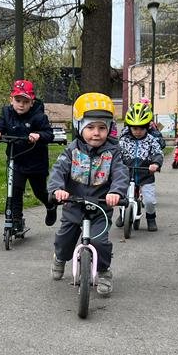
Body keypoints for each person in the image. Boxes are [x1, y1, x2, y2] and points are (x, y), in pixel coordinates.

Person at [48, 92, 129, 296]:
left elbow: (120, 173)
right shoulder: (72, 151)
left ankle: (104, 272)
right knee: (64, 240)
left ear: (109, 128)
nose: (96, 133)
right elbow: (59, 170)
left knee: (100, 242)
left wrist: (116, 192)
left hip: (101, 207)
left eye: (102, 127)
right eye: (90, 127)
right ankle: (60, 258)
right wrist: (57, 189)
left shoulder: (113, 153)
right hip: (74, 205)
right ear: (79, 126)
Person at [0, 79, 57, 230]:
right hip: (16, 160)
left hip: (36, 162)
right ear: (11, 100)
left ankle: (50, 205)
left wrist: (38, 135)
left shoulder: (39, 116)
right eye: (18, 100)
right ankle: (16, 220)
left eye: (25, 101)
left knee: (39, 191)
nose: (21, 104)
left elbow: (49, 134)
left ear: (32, 102)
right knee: (15, 191)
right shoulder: (6, 113)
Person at [118, 101, 164, 231]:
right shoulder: (123, 140)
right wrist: (116, 165)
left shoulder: (150, 140)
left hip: (145, 175)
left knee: (149, 201)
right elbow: (116, 154)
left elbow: (157, 153)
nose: (138, 132)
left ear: (147, 127)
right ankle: (122, 214)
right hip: (127, 174)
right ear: (129, 127)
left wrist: (155, 163)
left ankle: (151, 218)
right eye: (135, 129)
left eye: (141, 129)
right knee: (121, 197)